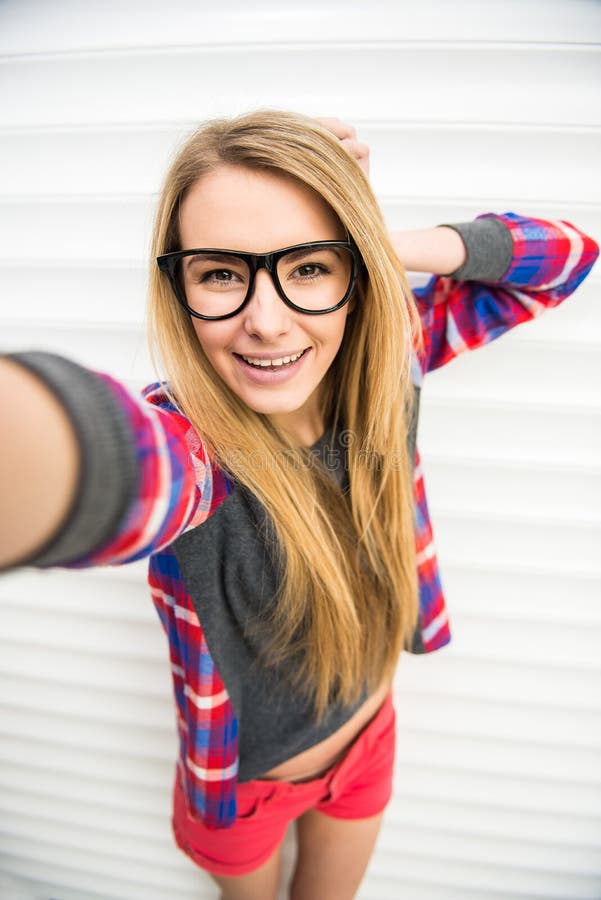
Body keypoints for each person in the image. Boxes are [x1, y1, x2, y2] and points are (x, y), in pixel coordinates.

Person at [0, 110, 598, 900]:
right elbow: (105, 461)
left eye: (308, 266)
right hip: (242, 794)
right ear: (178, 288)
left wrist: (379, 241)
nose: (266, 320)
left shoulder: (392, 362)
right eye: (220, 273)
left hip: (368, 741)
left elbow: (566, 258)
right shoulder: (192, 452)